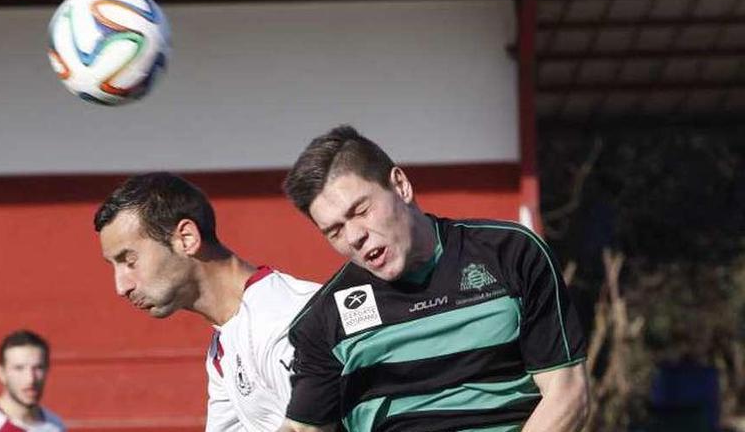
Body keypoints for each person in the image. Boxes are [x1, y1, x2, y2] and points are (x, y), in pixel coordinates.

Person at [277, 125, 589, 432]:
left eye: (361, 211)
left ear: (400, 185)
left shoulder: (511, 254)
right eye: (335, 231)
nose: (354, 236)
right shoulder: (324, 320)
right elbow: (301, 428)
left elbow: (568, 392)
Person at [93, 172, 320, 431]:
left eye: (129, 261)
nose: (121, 286)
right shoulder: (222, 347)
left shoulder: (289, 319)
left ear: (186, 238)